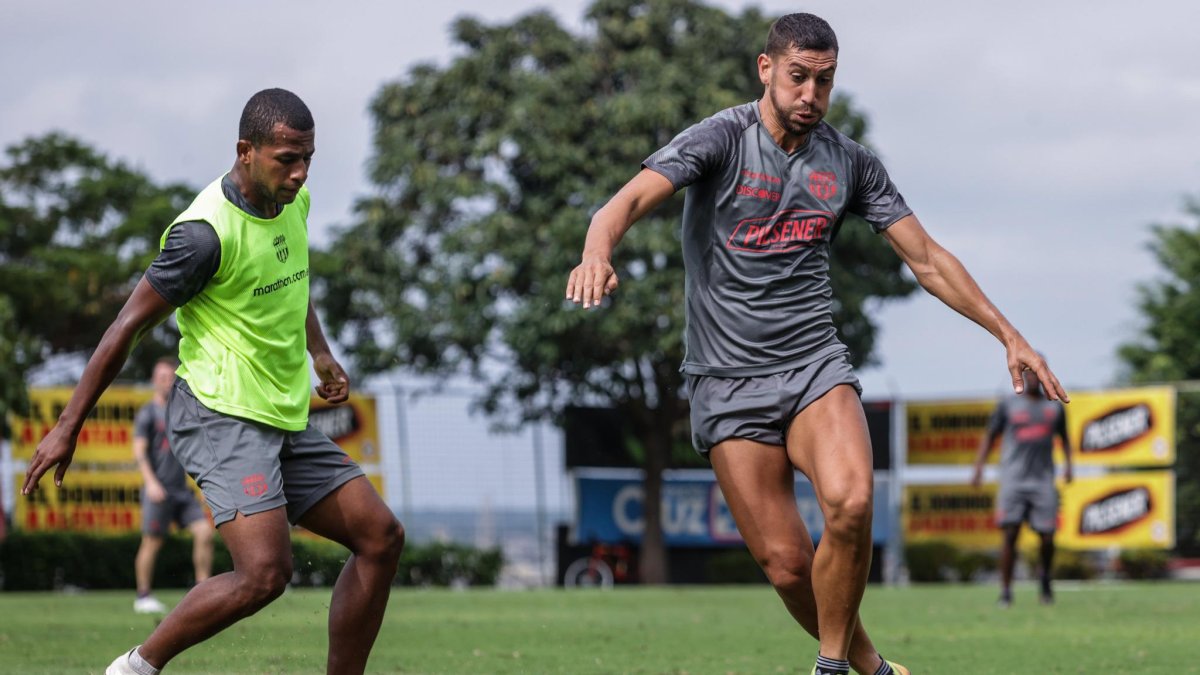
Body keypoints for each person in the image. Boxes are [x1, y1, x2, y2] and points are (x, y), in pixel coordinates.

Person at [566, 13, 1068, 675]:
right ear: (766, 69)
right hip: (726, 379)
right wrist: (596, 253)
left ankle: (830, 665)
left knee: (853, 500)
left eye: (824, 81)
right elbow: (623, 204)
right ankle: (871, 667)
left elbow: (926, 258)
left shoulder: (849, 162)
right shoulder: (720, 138)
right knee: (785, 562)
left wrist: (1011, 334)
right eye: (799, 77)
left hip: (813, 365)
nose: (811, 93)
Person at [22, 88, 405, 675]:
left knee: (380, 536)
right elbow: (123, 328)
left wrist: (320, 352)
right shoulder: (203, 235)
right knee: (264, 574)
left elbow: (290, 278)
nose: (300, 173)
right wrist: (67, 427)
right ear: (245, 151)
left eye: (308, 158)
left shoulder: (291, 203)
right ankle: (134, 668)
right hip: (218, 413)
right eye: (286, 158)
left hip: (280, 415)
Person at [971, 367, 1072, 607]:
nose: (1033, 378)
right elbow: (990, 436)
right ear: (1023, 376)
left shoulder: (1054, 406)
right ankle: (1006, 591)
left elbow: (1065, 439)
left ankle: (1045, 580)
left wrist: (1069, 466)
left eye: (1038, 373)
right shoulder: (1008, 405)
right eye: (1029, 373)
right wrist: (979, 468)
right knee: (1010, 534)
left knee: (1047, 537)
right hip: (1013, 480)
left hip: (1043, 480)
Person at [131, 356, 215, 614]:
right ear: (154, 381)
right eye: (162, 378)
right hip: (158, 490)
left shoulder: (183, 413)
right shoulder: (148, 413)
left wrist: (202, 485)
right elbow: (139, 451)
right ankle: (143, 596)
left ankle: (203, 593)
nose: (168, 382)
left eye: (171, 378)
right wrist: (152, 483)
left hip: (181, 490)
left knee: (205, 533)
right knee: (152, 542)